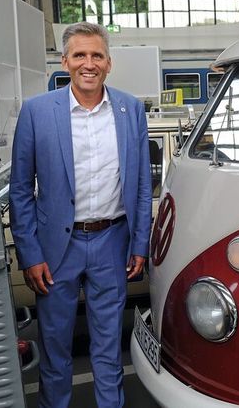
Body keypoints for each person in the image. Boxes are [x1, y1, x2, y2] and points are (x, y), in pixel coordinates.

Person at [9, 22, 151, 408]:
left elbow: (140, 185)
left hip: (112, 242)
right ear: (65, 61)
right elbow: (21, 189)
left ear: (109, 63)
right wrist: (30, 254)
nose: (88, 64)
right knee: (55, 350)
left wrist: (140, 242)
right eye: (80, 55)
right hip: (56, 249)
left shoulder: (130, 109)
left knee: (108, 351)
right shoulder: (37, 112)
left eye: (97, 56)